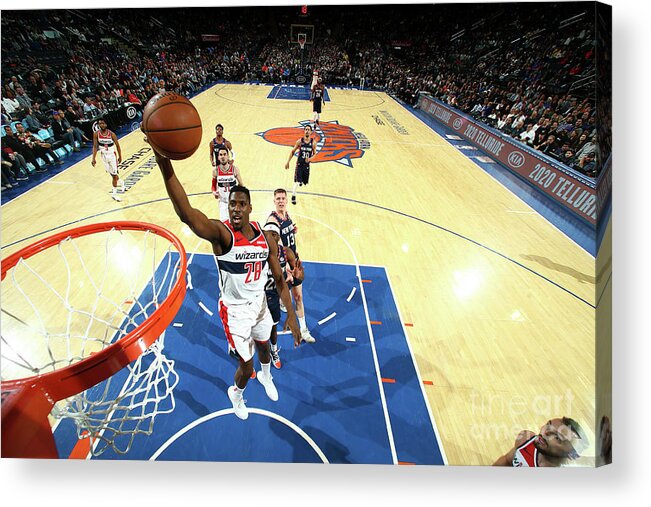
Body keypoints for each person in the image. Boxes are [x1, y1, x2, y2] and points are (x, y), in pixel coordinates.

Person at [144, 134, 301, 420]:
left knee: (265, 347)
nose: (236, 208)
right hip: (235, 312)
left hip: (260, 305)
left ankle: (268, 377)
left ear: (250, 208)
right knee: (247, 365)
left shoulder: (266, 238)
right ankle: (236, 394)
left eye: (241, 204)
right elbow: (187, 215)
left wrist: (292, 316)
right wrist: (162, 160)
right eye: (232, 204)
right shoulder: (222, 235)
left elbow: (279, 279)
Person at [267, 188, 315, 344]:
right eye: (278, 198)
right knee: (277, 298)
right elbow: (273, 243)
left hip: (294, 262)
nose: (281, 201)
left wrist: (292, 231)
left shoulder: (286, 216)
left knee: (299, 297)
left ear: (286, 200)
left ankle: (304, 330)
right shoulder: (272, 220)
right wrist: (286, 264)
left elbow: (287, 238)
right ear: (274, 201)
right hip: (284, 265)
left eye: (283, 198)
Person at [262, 221, 304, 369]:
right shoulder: (254, 252)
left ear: (279, 237)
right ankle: (246, 357)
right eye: (267, 235)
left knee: (273, 327)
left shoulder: (287, 253)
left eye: (274, 235)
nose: (271, 238)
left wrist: (298, 276)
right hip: (256, 297)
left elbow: (298, 277)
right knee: (252, 330)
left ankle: (273, 350)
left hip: (273, 295)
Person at [493, 417, 588, 467]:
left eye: (557, 437)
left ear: (572, 455)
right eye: (548, 425)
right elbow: (507, 460)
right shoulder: (525, 439)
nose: (545, 433)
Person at [91, 118, 124, 201]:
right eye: (100, 124)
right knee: (112, 173)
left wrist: (120, 156)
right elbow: (95, 147)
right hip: (103, 156)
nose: (101, 125)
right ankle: (121, 182)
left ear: (106, 124)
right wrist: (93, 158)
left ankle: (114, 194)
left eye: (103, 123)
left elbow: (118, 146)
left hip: (112, 155)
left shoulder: (112, 134)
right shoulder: (96, 134)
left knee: (113, 175)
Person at [284, 124, 316, 205]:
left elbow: (315, 154)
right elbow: (292, 151)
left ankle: (301, 180)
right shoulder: (299, 141)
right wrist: (288, 162)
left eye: (309, 129)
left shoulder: (313, 143)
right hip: (299, 165)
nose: (307, 131)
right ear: (304, 131)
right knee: (297, 182)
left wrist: (310, 159)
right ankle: (293, 196)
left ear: (311, 132)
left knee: (305, 182)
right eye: (306, 129)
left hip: (307, 165)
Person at [212, 146, 243, 221]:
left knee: (235, 223)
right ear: (218, 157)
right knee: (224, 224)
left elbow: (241, 185)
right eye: (221, 155)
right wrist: (214, 192)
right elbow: (213, 186)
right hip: (223, 202)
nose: (223, 157)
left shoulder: (234, 169)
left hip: (234, 202)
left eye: (224, 154)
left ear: (228, 156)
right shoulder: (216, 171)